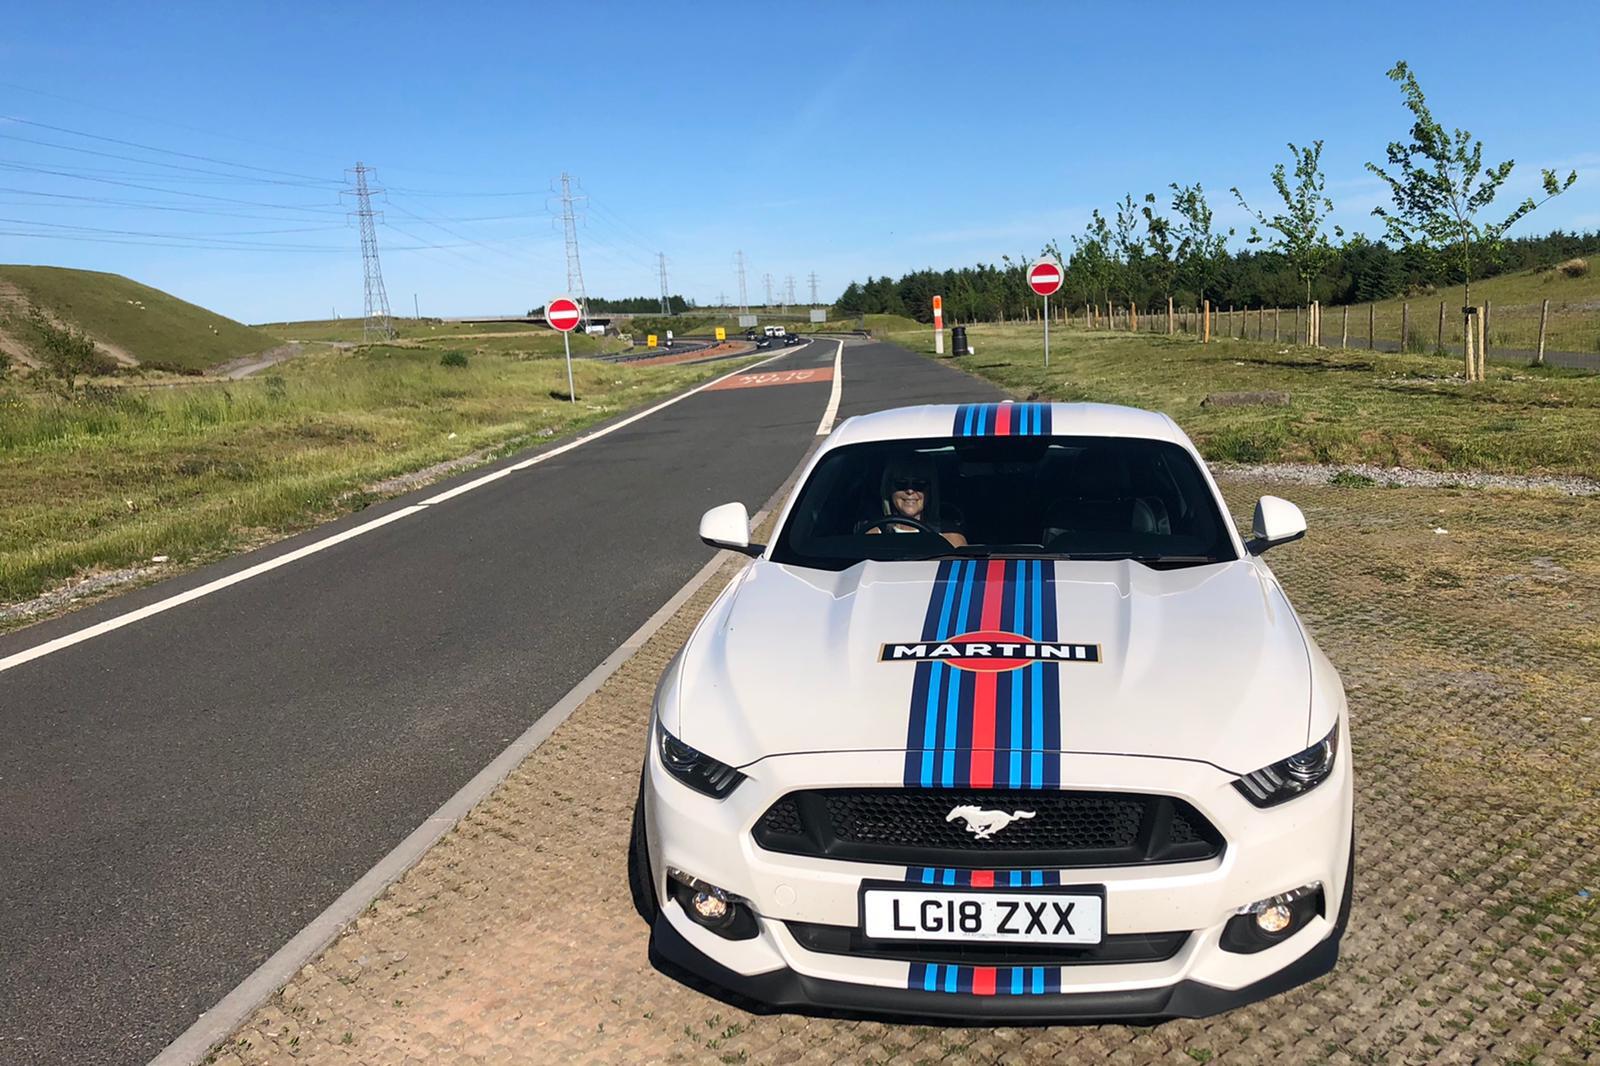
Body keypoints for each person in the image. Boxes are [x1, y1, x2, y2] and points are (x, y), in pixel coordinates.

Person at [865, 454, 967, 547]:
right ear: (888, 488)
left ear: (931, 490)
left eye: (919, 484)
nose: (910, 491)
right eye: (901, 483)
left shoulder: (950, 538)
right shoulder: (873, 537)